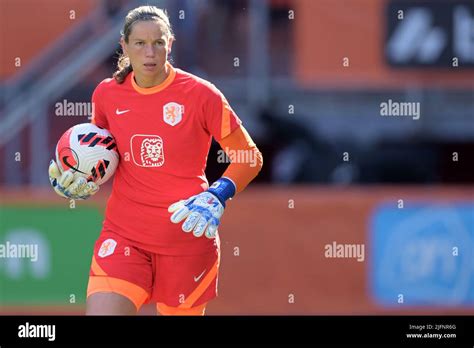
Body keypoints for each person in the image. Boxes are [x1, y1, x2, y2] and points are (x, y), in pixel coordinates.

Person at [48, 5, 263, 315]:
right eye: (140, 43)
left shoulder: (202, 95)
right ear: (124, 46)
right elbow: (100, 157)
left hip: (186, 239)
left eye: (158, 42)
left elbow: (249, 157)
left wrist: (218, 193)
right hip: (124, 235)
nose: (150, 52)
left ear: (170, 44)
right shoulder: (107, 95)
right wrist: (74, 178)